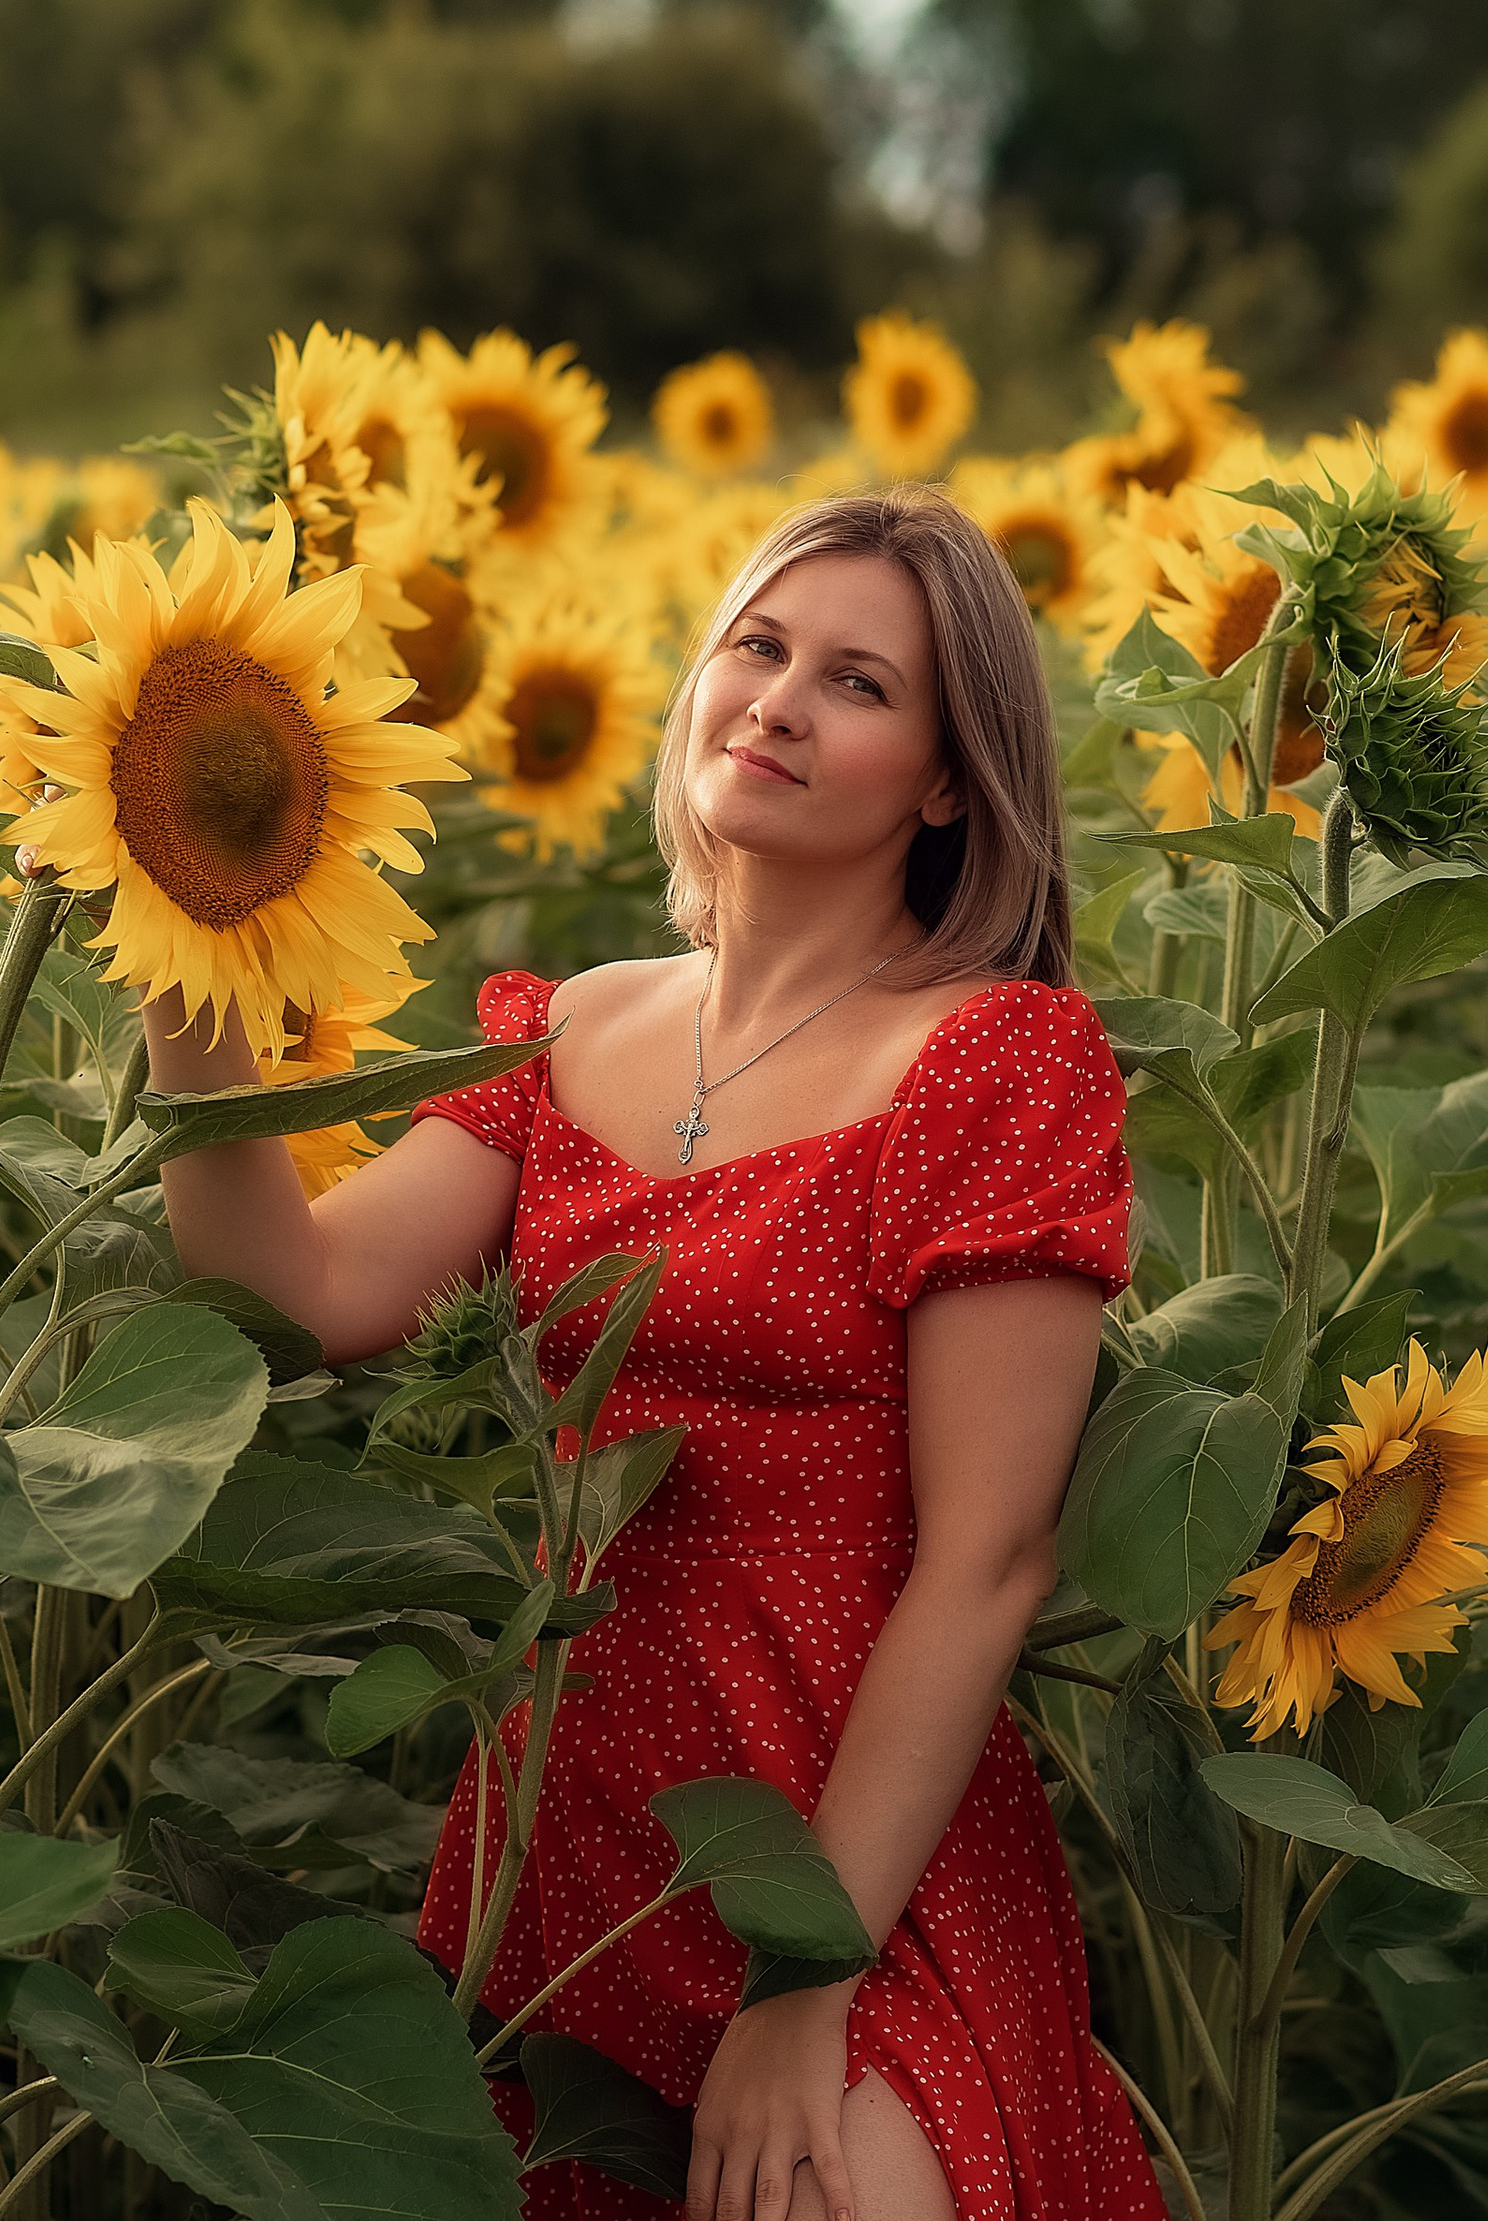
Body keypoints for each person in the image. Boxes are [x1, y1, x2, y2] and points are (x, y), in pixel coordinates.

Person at [136, 489, 1163, 2221]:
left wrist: (804, 1978)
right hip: (574, 1823)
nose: (775, 698)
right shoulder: (576, 1025)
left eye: (855, 682)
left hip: (847, 1842)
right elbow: (300, 1296)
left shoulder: (997, 1062)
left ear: (943, 778)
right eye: (755, 648)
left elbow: (988, 1563)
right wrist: (183, 956)